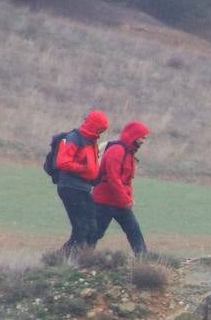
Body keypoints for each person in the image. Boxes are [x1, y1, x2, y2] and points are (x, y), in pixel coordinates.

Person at [90, 120, 150, 255]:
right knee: (95, 234)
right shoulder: (117, 151)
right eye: (142, 138)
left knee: (134, 230)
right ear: (134, 136)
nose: (144, 141)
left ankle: (143, 260)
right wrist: (126, 200)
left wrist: (127, 198)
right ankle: (81, 258)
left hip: (119, 202)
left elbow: (126, 182)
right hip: (104, 202)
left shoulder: (128, 153)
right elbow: (113, 179)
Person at [55, 109, 109, 255]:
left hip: (84, 188)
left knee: (92, 227)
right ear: (94, 125)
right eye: (100, 129)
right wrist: (84, 169)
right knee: (82, 228)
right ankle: (62, 259)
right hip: (71, 187)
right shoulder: (74, 138)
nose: (101, 132)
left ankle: (83, 259)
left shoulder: (92, 141)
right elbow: (63, 162)